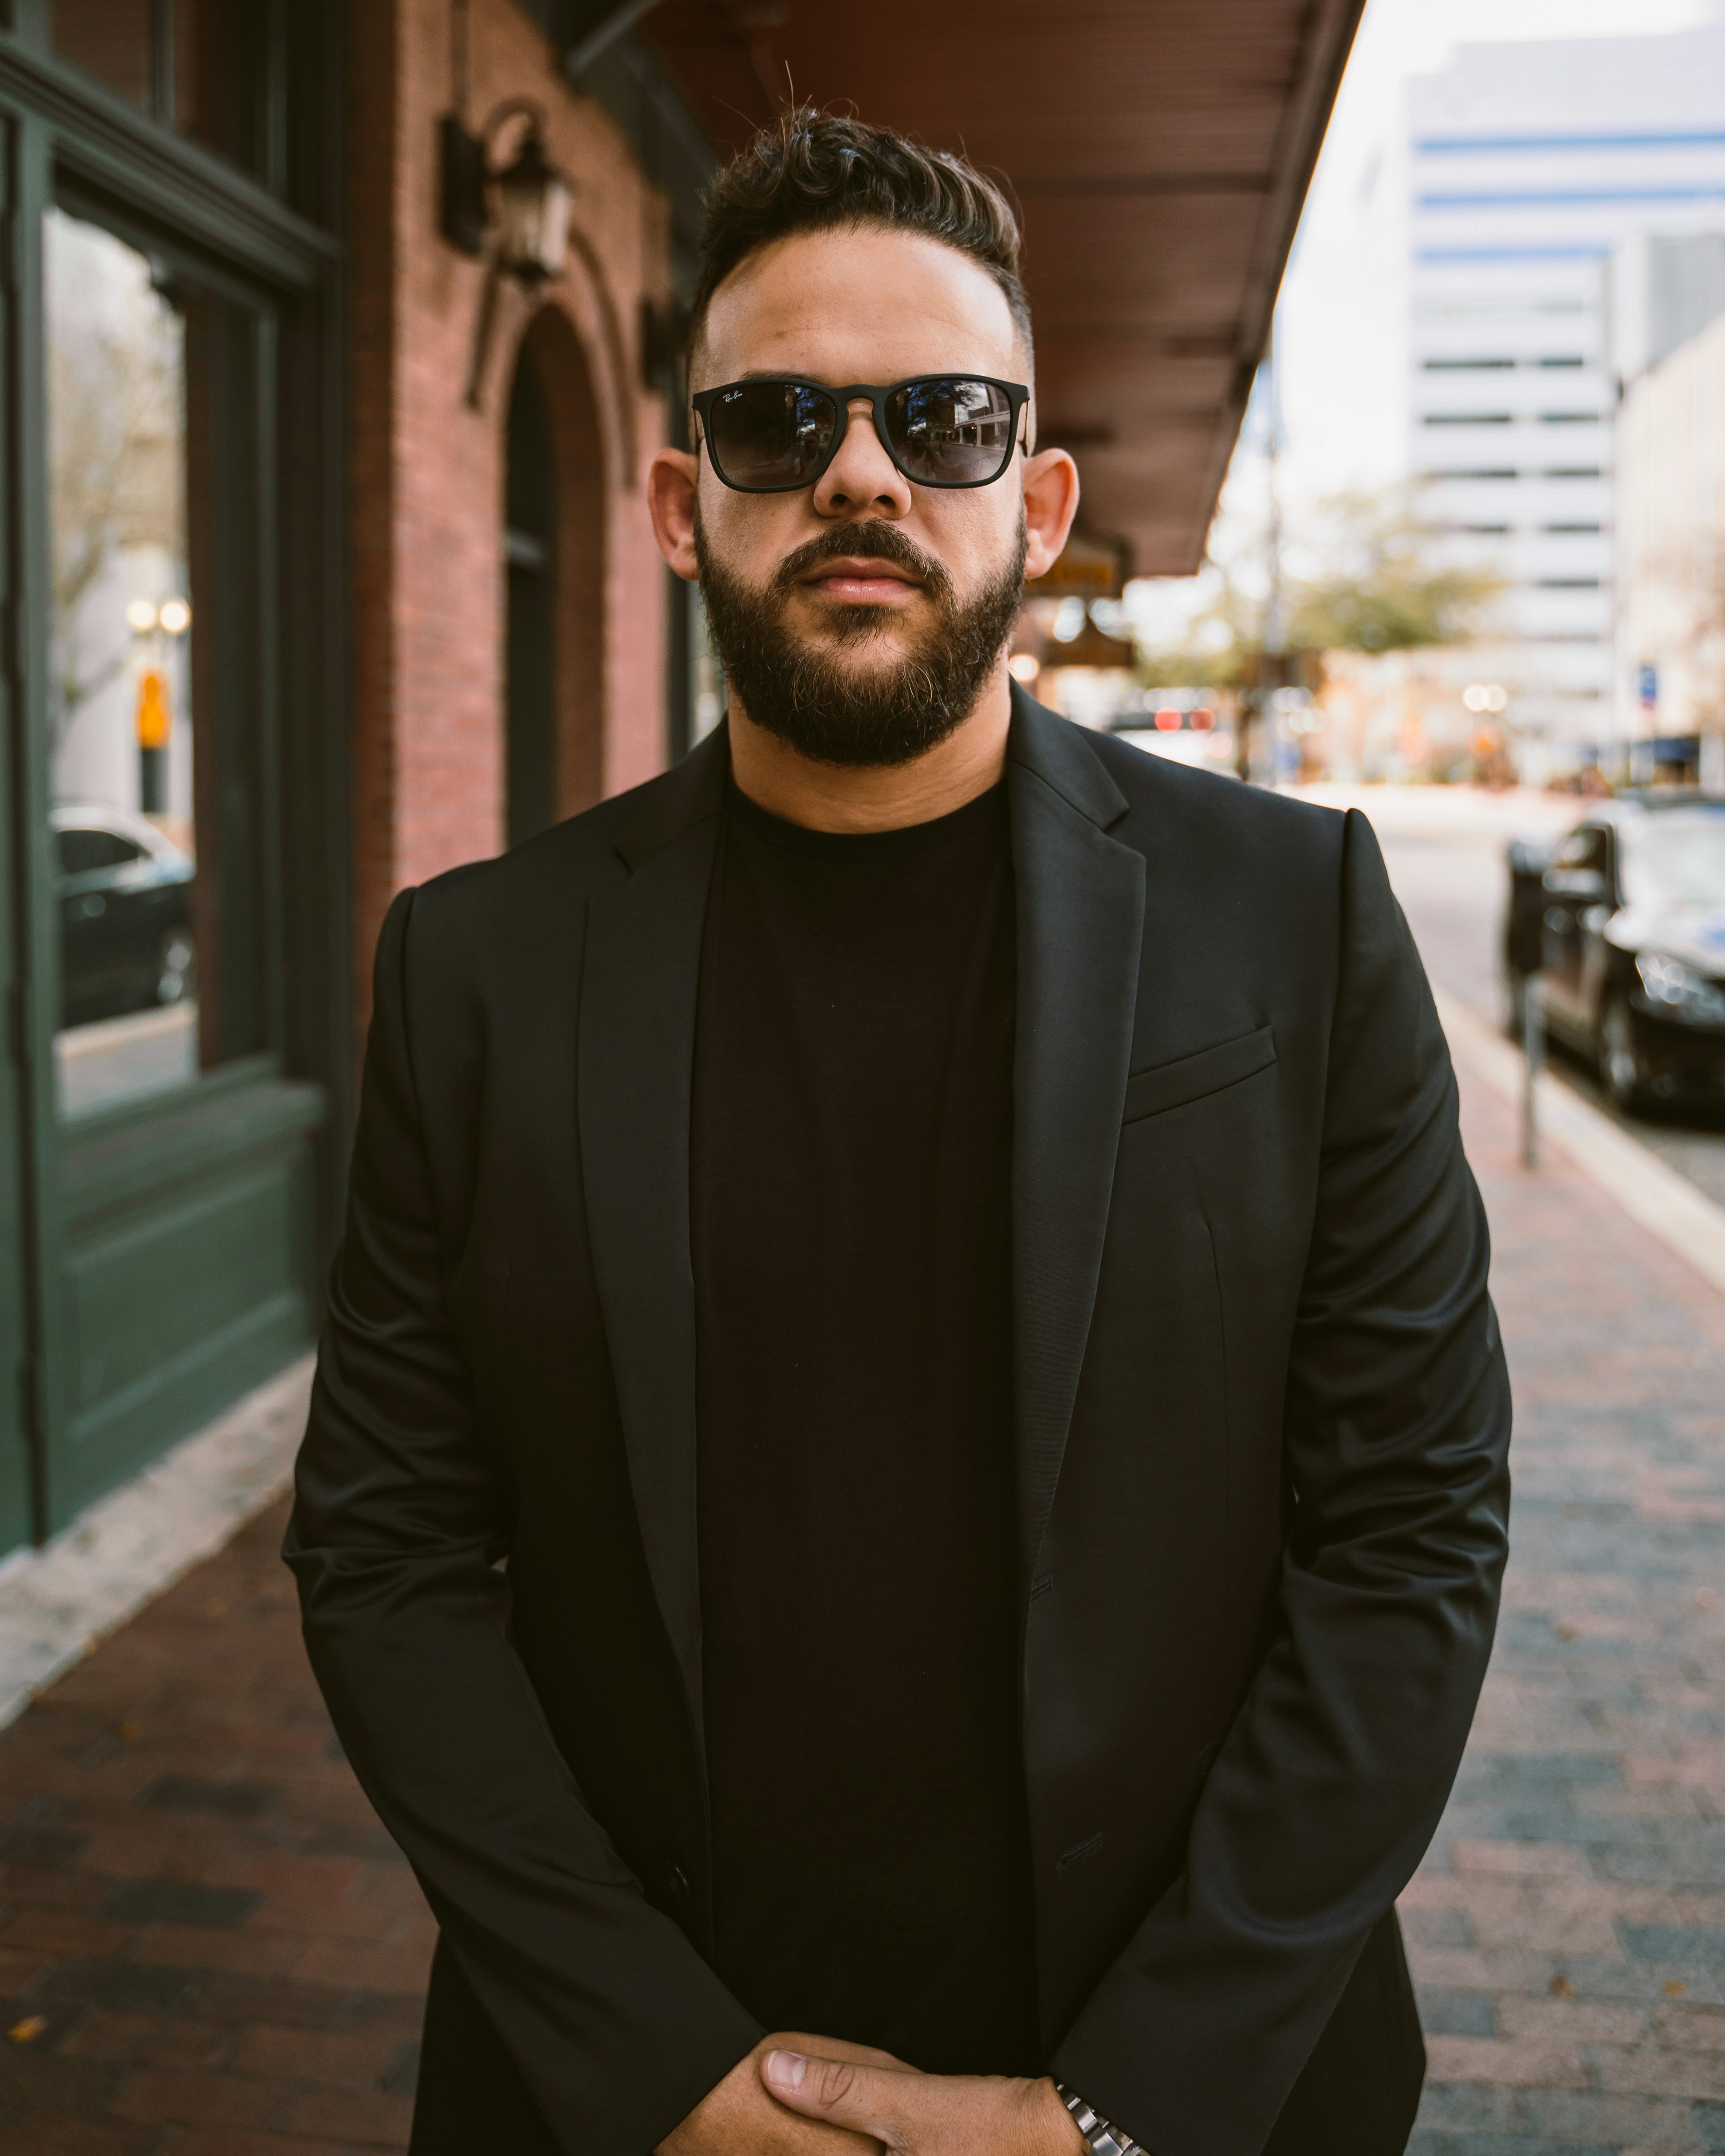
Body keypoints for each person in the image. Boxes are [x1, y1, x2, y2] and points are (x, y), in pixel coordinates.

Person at [286, 109, 1511, 2156]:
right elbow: (391, 1554)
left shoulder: (1289, 916)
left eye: (938, 419)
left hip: (1173, 2087)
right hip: (628, 2095)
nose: (859, 473)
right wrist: (653, 2072)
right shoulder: (477, 971)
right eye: (777, 424)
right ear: (681, 507)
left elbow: (1405, 1535)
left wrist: (1120, 2109)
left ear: (1031, 503)